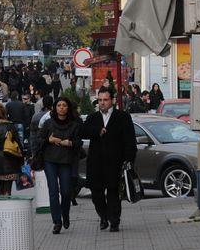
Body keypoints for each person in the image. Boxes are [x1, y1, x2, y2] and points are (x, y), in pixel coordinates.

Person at [82, 87, 136, 232]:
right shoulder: (92, 118)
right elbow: (83, 132)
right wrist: (97, 131)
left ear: (112, 100)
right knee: (96, 195)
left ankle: (114, 221)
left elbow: (130, 140)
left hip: (115, 163)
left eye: (105, 100)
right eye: (100, 100)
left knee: (113, 194)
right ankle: (103, 216)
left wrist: (129, 160)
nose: (102, 103)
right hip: (96, 163)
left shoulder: (122, 117)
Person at [39, 97, 82, 234]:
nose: (62, 107)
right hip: (50, 160)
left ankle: (65, 214)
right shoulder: (48, 124)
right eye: (59, 105)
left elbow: (79, 143)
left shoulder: (74, 125)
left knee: (66, 192)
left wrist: (70, 143)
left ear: (68, 108)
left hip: (66, 161)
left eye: (64, 105)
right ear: (55, 108)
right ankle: (57, 222)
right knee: (53, 191)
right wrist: (49, 139)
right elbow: (39, 140)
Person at [0, 102, 23, 196]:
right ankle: (7, 202)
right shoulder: (11, 126)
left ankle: (1, 203)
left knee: (0, 190)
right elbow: (19, 144)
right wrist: (21, 159)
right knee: (8, 190)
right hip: (11, 160)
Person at [29, 94, 54, 159]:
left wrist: (33, 152)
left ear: (43, 103)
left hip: (39, 147)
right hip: (53, 148)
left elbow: (33, 136)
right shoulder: (55, 116)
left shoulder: (36, 116)